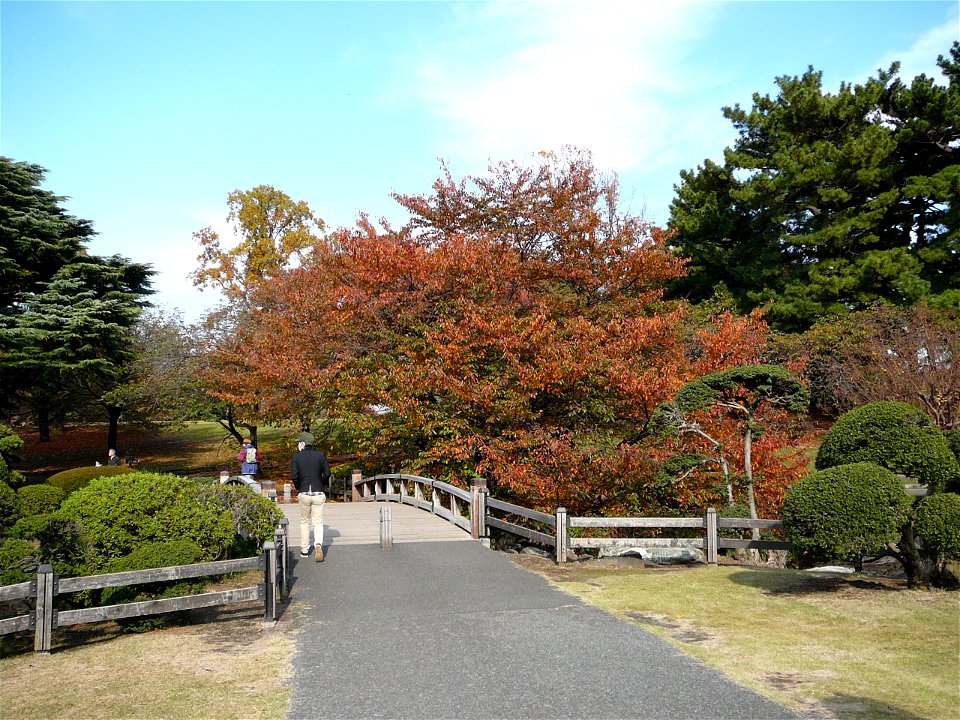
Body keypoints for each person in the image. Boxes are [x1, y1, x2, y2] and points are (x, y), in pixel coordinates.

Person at [291, 431, 330, 562]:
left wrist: (299, 487)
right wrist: (321, 483)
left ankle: (304, 550)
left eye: (299, 443)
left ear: (303, 443)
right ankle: (318, 544)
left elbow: (294, 476)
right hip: (318, 492)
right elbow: (328, 473)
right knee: (318, 522)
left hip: (304, 492)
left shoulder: (297, 457)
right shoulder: (320, 455)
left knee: (304, 522)